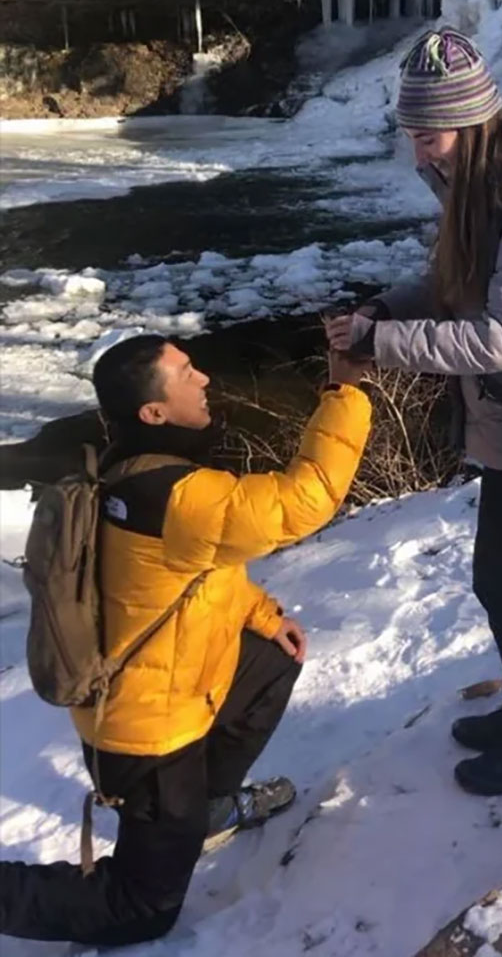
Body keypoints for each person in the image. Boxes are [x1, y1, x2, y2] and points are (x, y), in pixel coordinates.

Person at [0, 333, 372, 947]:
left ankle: (210, 808)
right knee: (141, 907)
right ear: (154, 412)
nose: (205, 380)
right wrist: (346, 389)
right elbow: (304, 500)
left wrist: (262, 613)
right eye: (187, 373)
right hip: (148, 735)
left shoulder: (131, 468)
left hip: (171, 683)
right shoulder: (178, 494)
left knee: (270, 662)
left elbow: (193, 573)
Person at [327, 28, 502, 797]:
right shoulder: (472, 187)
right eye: (412, 136)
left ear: (472, 123)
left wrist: (382, 343)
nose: (420, 154)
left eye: (429, 136)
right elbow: (456, 284)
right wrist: (384, 306)